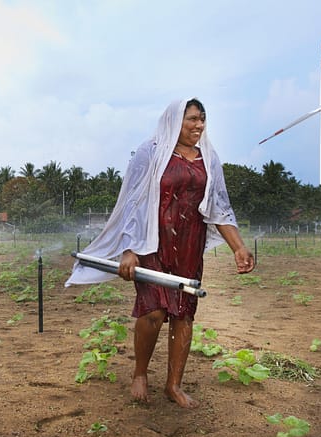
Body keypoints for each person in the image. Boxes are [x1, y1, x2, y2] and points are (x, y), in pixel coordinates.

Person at [65, 98, 254, 408]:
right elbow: (133, 202)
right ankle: (140, 373)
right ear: (173, 121)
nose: (199, 125)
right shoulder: (150, 152)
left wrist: (239, 247)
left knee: (183, 313)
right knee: (153, 311)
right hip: (152, 243)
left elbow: (219, 207)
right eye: (192, 119)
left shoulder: (209, 157)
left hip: (189, 247)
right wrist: (129, 249)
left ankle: (173, 384)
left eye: (202, 119)